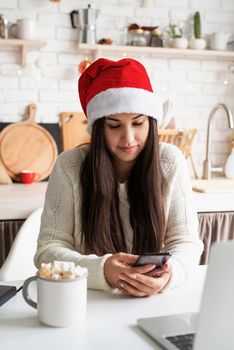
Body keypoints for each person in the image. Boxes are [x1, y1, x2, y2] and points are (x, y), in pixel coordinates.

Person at [34, 58, 203, 297]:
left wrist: (170, 274)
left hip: (154, 302)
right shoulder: (69, 166)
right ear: (98, 127)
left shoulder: (170, 162)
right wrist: (100, 270)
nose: (129, 138)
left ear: (151, 123)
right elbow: (48, 250)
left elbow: (186, 242)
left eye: (138, 123)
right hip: (88, 300)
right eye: (114, 126)